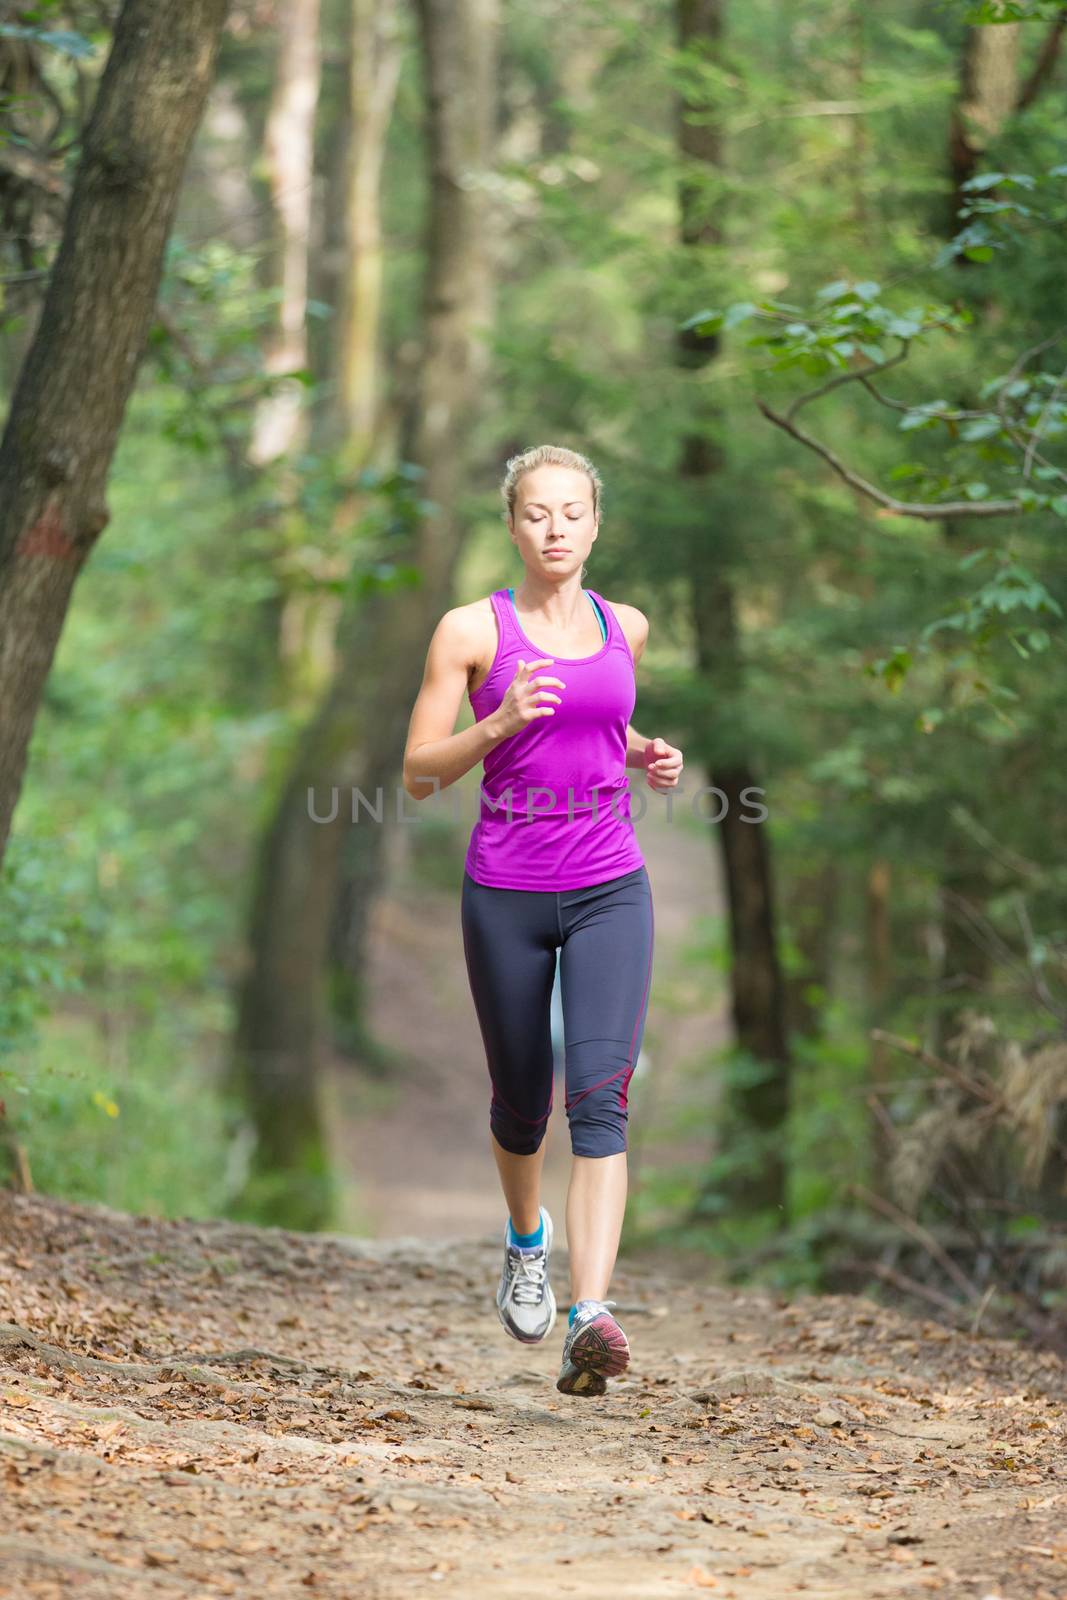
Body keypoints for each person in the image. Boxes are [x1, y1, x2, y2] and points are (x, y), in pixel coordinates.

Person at [402, 444, 683, 1398]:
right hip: (508, 892)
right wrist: (498, 722)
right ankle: (527, 1242)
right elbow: (418, 769)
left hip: (611, 885)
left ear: (596, 522)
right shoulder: (469, 632)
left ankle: (590, 1312)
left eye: (572, 512)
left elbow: (600, 723)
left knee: (599, 1099)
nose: (555, 529)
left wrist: (647, 751)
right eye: (536, 514)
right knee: (522, 1104)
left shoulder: (624, 625)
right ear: (512, 525)